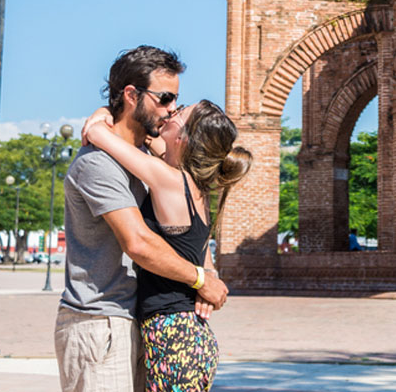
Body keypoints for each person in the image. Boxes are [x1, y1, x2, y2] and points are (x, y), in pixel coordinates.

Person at [55, 46, 229, 392]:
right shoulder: (97, 163)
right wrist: (200, 279)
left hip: (138, 320)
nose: (170, 110)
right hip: (100, 321)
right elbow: (138, 242)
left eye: (176, 102)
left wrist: (208, 270)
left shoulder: (151, 157)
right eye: (164, 99)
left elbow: (190, 229)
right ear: (132, 95)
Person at [83, 99, 251, 392]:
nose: (170, 114)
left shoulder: (169, 180)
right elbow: (151, 140)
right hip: (188, 335)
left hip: (172, 334)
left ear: (183, 137)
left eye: (179, 113)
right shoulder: (193, 184)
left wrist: (101, 115)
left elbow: (98, 135)